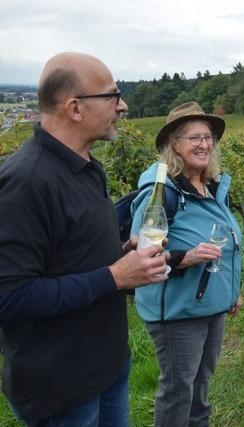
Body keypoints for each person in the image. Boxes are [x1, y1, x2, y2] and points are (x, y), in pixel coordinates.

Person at [0, 52, 168, 425]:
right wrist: (115, 277)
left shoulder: (88, 167)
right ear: (75, 108)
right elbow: (9, 298)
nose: (122, 106)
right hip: (62, 388)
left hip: (107, 366)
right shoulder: (25, 182)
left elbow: (72, 253)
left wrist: (125, 254)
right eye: (112, 95)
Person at [130, 102, 243, 426]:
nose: (204, 144)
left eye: (207, 137)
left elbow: (227, 243)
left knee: (199, 388)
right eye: (194, 137)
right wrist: (184, 258)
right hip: (178, 312)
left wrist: (231, 290)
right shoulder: (162, 193)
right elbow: (141, 259)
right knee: (179, 391)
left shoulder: (210, 186)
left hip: (210, 307)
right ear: (174, 145)